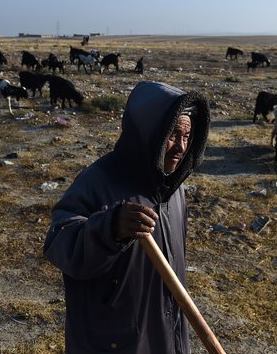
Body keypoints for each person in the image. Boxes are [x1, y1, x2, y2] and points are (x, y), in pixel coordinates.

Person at [44, 81, 210, 353]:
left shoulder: (173, 190)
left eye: (187, 136)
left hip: (166, 331)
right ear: (148, 133)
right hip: (116, 340)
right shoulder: (99, 180)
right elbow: (60, 242)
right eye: (172, 135)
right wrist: (109, 228)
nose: (180, 147)